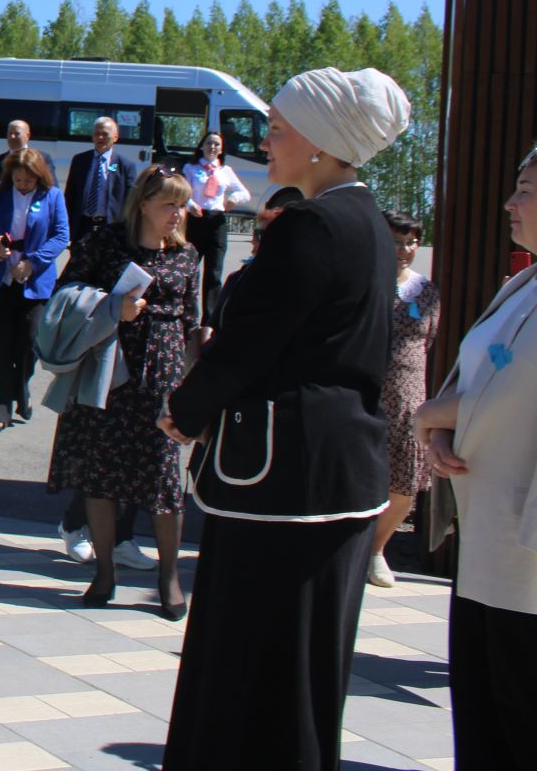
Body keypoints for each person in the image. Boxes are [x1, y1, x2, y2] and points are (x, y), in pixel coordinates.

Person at [160, 66, 414, 771]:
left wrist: (184, 412)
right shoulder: (367, 221)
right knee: (306, 666)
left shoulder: (312, 224)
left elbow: (251, 341)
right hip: (339, 476)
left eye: (279, 127)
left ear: (323, 143)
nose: (266, 140)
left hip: (285, 482)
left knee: (251, 665)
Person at [413, 145, 537, 770]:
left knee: (520, 714)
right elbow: (486, 376)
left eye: (527, 190)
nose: (510, 203)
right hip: (488, 535)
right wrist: (440, 430)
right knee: (485, 712)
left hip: (528, 552)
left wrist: (435, 416)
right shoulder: (524, 280)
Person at [47, 164, 197, 617]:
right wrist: (114, 306)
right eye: (169, 203)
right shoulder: (106, 242)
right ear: (144, 203)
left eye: (182, 204)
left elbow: (190, 318)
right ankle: (104, 572)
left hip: (162, 376)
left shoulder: (187, 254)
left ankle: (168, 577)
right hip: (109, 370)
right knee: (101, 473)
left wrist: (199, 373)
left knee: (163, 477)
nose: (177, 213)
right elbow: (64, 292)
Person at [0, 148, 70, 432]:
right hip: (0, 282)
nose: (23, 185)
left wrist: (33, 263)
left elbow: (61, 235)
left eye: (28, 181)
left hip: (34, 283)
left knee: (28, 345)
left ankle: (21, 393)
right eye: (18, 179)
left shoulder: (53, 196)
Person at [368, 209, 437, 588]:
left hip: (410, 397)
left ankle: (377, 549)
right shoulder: (367, 282)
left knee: (405, 482)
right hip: (368, 392)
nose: (404, 249)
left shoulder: (426, 290)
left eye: (410, 242)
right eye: (396, 241)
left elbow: (429, 338)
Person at [205, 184, 304, 335]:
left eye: (258, 235)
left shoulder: (297, 284)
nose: (252, 241)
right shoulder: (238, 278)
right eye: (253, 234)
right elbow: (217, 325)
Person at [182, 131, 252, 327]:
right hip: (196, 220)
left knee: (214, 273)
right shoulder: (191, 168)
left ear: (221, 149)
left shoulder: (225, 171)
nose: (212, 147)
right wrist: (190, 204)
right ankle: (188, 313)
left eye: (216, 145)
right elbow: (183, 191)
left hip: (216, 222)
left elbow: (243, 192)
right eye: (209, 143)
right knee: (190, 269)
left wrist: (233, 200)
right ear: (202, 146)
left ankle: (210, 320)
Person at [63, 117, 141, 234]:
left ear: (115, 137)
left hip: (110, 227)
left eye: (105, 134)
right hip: (82, 226)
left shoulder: (126, 165)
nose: (100, 138)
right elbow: (70, 194)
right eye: (97, 134)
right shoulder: (79, 160)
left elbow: (131, 200)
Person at [0, 119, 34, 188]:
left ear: (28, 135)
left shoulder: (42, 160)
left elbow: (50, 190)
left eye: (17, 134)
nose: (12, 137)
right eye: (10, 133)